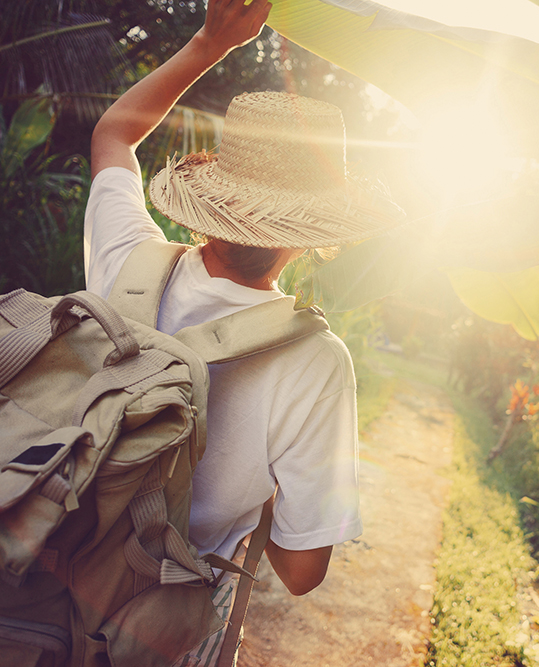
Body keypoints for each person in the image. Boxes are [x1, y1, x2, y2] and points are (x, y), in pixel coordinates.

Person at [84, 0, 405, 600]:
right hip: (146, 611)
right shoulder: (316, 363)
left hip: (32, 551)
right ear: (314, 236)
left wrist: (212, 41)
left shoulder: (127, 258)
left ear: (211, 200)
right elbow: (302, 572)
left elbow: (114, 133)